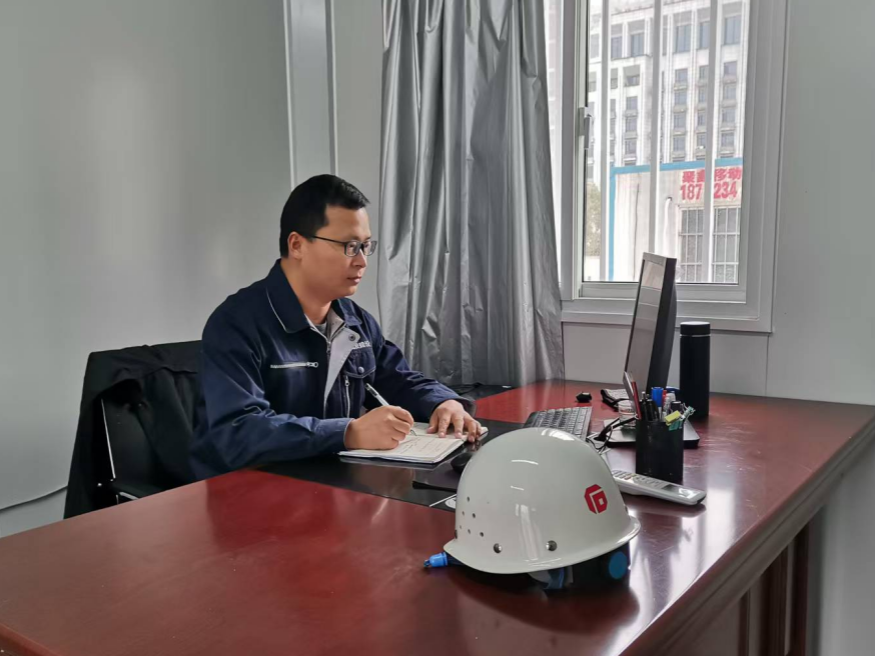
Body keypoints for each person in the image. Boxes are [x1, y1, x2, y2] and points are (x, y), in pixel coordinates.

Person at [190, 174, 480, 479]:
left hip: (327, 480)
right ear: (297, 245)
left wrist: (443, 402)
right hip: (247, 489)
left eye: (366, 246)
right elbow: (237, 432)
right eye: (349, 246)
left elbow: (398, 378)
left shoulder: (354, 319)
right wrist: (348, 432)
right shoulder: (237, 323)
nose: (362, 261)